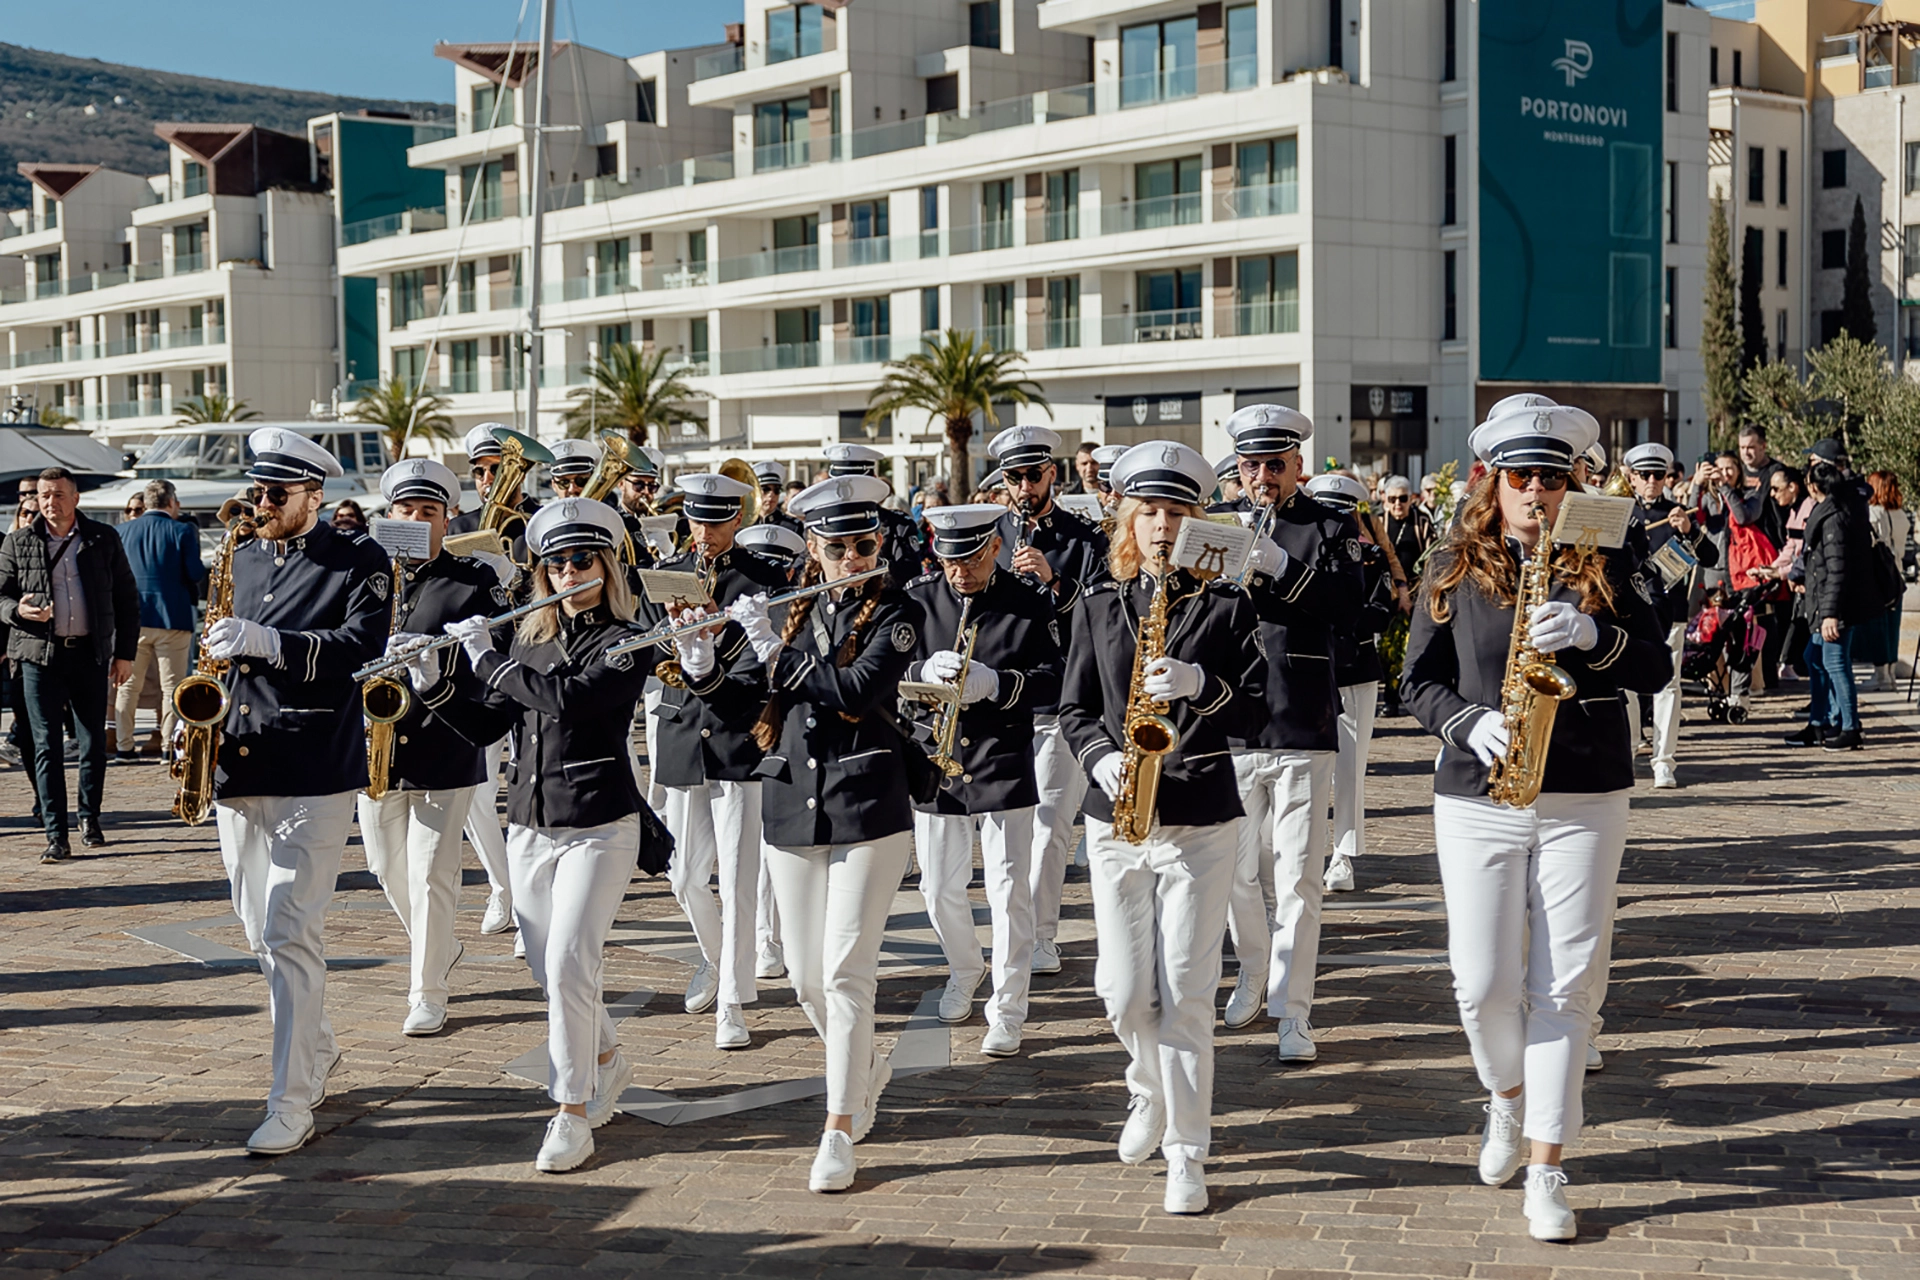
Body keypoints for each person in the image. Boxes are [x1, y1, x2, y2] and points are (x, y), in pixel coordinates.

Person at [1399, 404, 1672, 1241]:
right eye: (1522, 478)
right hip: (1479, 794)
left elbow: (1656, 664)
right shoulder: (1453, 559)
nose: (1538, 493)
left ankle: (1549, 1167)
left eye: (1553, 478)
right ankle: (1507, 1102)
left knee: (1567, 988)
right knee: (1481, 987)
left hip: (1586, 790)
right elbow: (1416, 681)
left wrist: (1596, 632)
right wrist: (1463, 721)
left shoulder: (1610, 554)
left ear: (1571, 483)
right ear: (1494, 481)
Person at [408, 497, 649, 1172]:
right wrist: (432, 681)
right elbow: (489, 725)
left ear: (606, 565)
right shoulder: (529, 638)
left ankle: (571, 1108)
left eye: (583, 560)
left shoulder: (627, 639)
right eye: (557, 563)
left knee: (572, 960)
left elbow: (568, 701)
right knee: (551, 971)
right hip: (532, 826)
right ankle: (605, 1056)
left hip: (601, 824)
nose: (570, 572)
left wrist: (485, 659)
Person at [1059, 441, 1264, 1215]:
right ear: (1126, 517)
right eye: (1149, 510)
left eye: (1177, 511)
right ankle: (1146, 1086)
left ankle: (1188, 1150)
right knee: (1120, 994)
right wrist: (1100, 758)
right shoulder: (1096, 603)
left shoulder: (1228, 604)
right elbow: (1076, 708)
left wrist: (1200, 685)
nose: (1162, 524)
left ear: (1196, 521)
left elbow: (1258, 707)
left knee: (1184, 992)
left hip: (1200, 816)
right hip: (1116, 818)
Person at [727, 474, 926, 1193]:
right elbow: (745, 701)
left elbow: (854, 691)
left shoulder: (898, 612)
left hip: (868, 805)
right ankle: (863, 1062)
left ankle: (840, 1123)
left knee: (845, 973)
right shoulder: (793, 610)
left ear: (878, 543)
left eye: (862, 543)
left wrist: (773, 654)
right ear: (813, 546)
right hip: (792, 803)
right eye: (835, 545)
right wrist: (711, 656)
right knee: (808, 978)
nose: (849, 556)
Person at [202, 429, 393, 1155]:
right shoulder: (241, 554)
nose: (262, 502)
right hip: (242, 760)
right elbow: (225, 642)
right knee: (258, 929)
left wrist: (268, 642)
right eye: (258, 490)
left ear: (315, 494)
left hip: (314, 765)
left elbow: (363, 648)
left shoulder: (358, 559)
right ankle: (316, 1048)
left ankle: (290, 1100)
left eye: (276, 493)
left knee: (289, 930)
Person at [1207, 407, 1363, 1055]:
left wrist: (1282, 566)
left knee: (1298, 875)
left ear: (1298, 465)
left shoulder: (1329, 525)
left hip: (1301, 715)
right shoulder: (1215, 524)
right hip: (1233, 718)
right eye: (1252, 466)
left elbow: (1351, 605)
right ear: (1238, 470)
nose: (1264, 476)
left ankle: (1294, 1009)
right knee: (1236, 873)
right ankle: (1251, 966)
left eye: (1276, 464)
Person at [904, 504, 1064, 1056]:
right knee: (937, 888)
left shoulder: (1025, 601)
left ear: (994, 547)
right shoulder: (921, 598)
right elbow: (889, 667)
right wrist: (919, 674)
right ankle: (965, 966)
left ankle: (1009, 1007)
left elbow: (1056, 681)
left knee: (1007, 892)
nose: (961, 572)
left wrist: (998, 684)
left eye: (971, 558)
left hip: (1001, 758)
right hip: (936, 759)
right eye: (950, 561)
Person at [356, 460, 507, 1037]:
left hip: (446, 740)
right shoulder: (369, 578)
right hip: (377, 746)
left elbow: (498, 657)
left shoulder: (472, 581)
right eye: (405, 511)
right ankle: (438, 945)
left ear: (448, 520)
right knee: (382, 867)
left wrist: (440, 660)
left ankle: (428, 991)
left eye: (428, 512)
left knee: (430, 873)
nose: (416, 520)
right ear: (388, 515)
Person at [643, 472, 789, 1047]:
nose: (703, 533)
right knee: (682, 876)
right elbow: (648, 646)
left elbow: (764, 667)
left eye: (716, 521)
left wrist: (717, 629)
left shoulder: (765, 577)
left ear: (738, 521)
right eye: (696, 520)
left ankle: (733, 998)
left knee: (737, 877)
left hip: (735, 734)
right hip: (682, 732)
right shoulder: (669, 570)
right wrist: (670, 634)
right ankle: (716, 956)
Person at [984, 425, 1108, 977]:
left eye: (1034, 475)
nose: (1024, 486)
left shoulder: (1084, 540)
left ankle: (1042, 934)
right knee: (1007, 830)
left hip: (1062, 698)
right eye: (1014, 477)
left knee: (1051, 824)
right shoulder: (987, 536)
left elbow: (1105, 616)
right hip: (1004, 700)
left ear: (1052, 474)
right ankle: (1012, 932)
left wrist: (1057, 582)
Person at [0, 467, 139, 862]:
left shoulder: (102, 539)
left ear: (75, 498)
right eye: (43, 495)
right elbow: (0, 597)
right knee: (46, 746)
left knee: (93, 741)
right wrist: (18, 611)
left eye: (58, 494)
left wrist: (124, 654)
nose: (49, 502)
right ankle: (55, 833)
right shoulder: (19, 542)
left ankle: (89, 817)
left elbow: (127, 600)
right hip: (38, 656)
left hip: (89, 654)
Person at [449, 422, 530, 934]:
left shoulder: (545, 525)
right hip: (478, 674)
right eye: (479, 471)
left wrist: (513, 576)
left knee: (525, 782)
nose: (486, 479)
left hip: (529, 667)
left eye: (497, 470)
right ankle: (505, 887)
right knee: (477, 793)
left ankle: (528, 905)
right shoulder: (460, 528)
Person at [1304, 473, 1396, 893]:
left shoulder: (1373, 557)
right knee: (1304, 770)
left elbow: (1380, 612)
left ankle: (1343, 855)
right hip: (1309, 669)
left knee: (1349, 770)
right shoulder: (1302, 550)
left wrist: (1340, 609)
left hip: (1354, 671)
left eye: (1343, 511)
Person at [1622, 443, 1717, 787]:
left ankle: (1664, 760)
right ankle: (1630, 748)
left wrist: (1689, 531)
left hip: (1669, 610)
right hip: (1628, 611)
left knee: (1668, 687)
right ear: (1631, 477)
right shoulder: (1620, 512)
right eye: (1644, 475)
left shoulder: (1677, 513)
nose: (1651, 482)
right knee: (1627, 687)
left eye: (1658, 475)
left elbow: (1710, 555)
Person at [1787, 444, 1877, 750]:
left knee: (1835, 661)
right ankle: (1824, 721)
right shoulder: (1833, 511)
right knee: (1815, 658)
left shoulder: (1834, 518)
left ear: (1814, 486)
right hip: (1825, 601)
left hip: (1835, 605)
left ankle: (1849, 726)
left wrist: (1830, 614)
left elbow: (1837, 570)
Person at [112, 479, 208, 764]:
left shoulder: (122, 531)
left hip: (131, 618)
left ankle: (124, 747)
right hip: (172, 616)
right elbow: (195, 573)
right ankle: (169, 746)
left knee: (128, 685)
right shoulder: (182, 531)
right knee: (173, 686)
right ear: (171, 502)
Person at [821, 443, 925, 585]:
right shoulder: (821, 525)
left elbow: (909, 575)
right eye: (841, 485)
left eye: (858, 484)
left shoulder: (899, 525)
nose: (849, 492)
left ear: (874, 481)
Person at [1860, 471, 1909, 691]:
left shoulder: (1873, 513)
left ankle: (1881, 675)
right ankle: (1889, 674)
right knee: (1893, 626)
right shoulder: (1901, 515)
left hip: (1878, 575)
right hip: (1897, 573)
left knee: (1878, 625)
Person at [755, 460, 805, 535]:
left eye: (776, 490)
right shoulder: (742, 525)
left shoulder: (792, 526)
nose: (771, 494)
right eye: (765, 489)